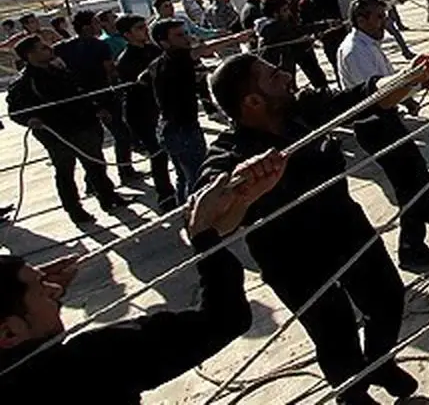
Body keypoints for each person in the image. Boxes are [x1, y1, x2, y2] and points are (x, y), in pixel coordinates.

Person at [200, 54, 429, 404]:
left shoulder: (303, 109)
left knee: (388, 299)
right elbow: (213, 223)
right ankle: (353, 396)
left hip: (347, 229)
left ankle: (379, 362)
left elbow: (367, 96)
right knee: (334, 332)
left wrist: (410, 76)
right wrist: (242, 190)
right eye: (273, 76)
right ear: (253, 101)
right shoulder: (228, 155)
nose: (286, 75)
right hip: (291, 260)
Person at [0, 150, 287, 402]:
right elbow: (225, 319)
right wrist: (203, 234)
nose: (54, 289)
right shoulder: (86, 367)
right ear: (9, 333)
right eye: (42, 289)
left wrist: (33, 293)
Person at [338, 0, 429, 270]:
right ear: (361, 20)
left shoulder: (369, 45)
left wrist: (410, 96)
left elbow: (390, 82)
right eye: (379, 17)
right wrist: (418, 83)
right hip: (374, 125)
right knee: (407, 185)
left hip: (386, 118)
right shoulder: (355, 51)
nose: (385, 22)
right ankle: (411, 249)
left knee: (416, 164)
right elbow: (378, 96)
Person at [5, 36, 129, 223]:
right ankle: (74, 209)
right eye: (42, 48)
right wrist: (30, 119)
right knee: (65, 171)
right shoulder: (24, 83)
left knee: (96, 164)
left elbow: (79, 93)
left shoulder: (59, 71)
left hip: (82, 125)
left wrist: (97, 109)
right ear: (30, 55)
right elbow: (16, 111)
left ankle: (108, 197)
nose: (48, 49)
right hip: (57, 134)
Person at [143, 19, 244, 201]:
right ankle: (196, 212)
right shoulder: (178, 57)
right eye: (179, 35)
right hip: (184, 130)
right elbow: (204, 49)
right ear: (164, 42)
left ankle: (183, 207)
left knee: (183, 177)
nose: (186, 38)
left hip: (168, 128)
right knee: (198, 179)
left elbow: (143, 79)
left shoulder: (157, 63)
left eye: (186, 33)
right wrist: (237, 38)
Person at [55, 10, 139, 185]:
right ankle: (125, 171)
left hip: (79, 99)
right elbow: (110, 70)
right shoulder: (99, 46)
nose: (99, 26)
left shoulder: (62, 47)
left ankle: (93, 182)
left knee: (92, 143)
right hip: (102, 94)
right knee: (121, 134)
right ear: (86, 27)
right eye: (95, 22)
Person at [114, 15, 177, 210]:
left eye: (144, 26)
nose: (145, 30)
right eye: (139, 28)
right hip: (142, 113)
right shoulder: (125, 61)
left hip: (162, 108)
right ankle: (165, 196)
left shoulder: (154, 50)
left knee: (174, 149)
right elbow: (141, 85)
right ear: (127, 34)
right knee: (158, 154)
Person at [256, 0, 330, 90]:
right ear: (275, 14)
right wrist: (326, 25)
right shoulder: (273, 30)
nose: (288, 13)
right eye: (284, 10)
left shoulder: (279, 27)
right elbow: (299, 30)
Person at [300, 0, 349, 83]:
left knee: (339, 69)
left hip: (327, 39)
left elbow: (306, 24)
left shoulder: (306, 0)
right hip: (343, 34)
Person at [151, 0, 222, 41]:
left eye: (171, 5)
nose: (171, 8)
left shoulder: (182, 18)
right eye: (166, 6)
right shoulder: (156, 26)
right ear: (159, 10)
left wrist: (216, 32)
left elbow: (199, 31)